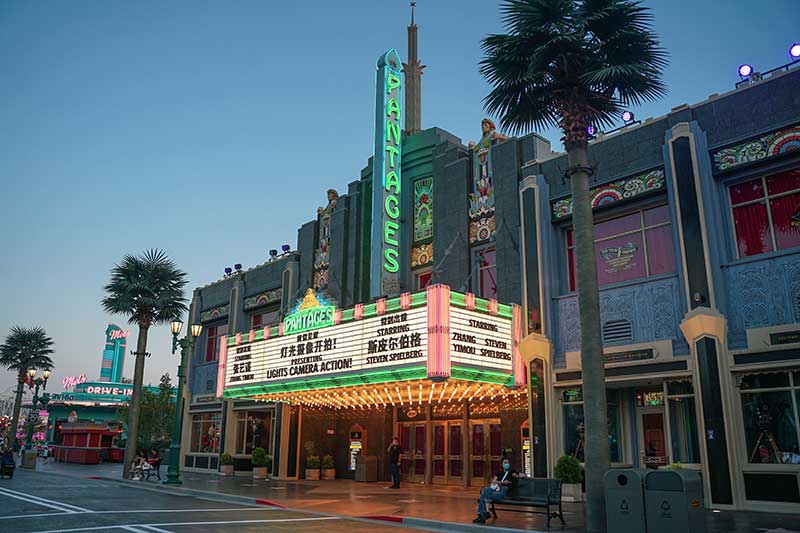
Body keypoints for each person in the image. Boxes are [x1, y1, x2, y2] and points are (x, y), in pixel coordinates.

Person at [473, 458, 522, 524]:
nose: (507, 464)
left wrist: (517, 476)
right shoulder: (499, 472)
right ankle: (485, 514)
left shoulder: (512, 471)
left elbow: (523, 475)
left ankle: (483, 515)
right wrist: (502, 482)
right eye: (505, 462)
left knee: (483, 496)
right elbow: (493, 481)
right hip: (496, 489)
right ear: (502, 464)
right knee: (485, 489)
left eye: (508, 462)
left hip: (503, 491)